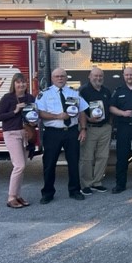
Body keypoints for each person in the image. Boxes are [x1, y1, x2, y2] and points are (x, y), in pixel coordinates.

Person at [36, 68, 89, 204]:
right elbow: (40, 113)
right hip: (53, 132)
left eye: (62, 76)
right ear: (52, 78)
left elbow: (82, 111)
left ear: (66, 78)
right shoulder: (44, 94)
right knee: (49, 164)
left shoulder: (74, 92)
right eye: (57, 76)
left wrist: (83, 129)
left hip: (71, 131)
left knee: (73, 162)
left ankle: (75, 190)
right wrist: (57, 116)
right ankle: (47, 193)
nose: (60, 78)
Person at [0, 73, 36, 208]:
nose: (21, 85)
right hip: (11, 133)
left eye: (23, 82)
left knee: (22, 166)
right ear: (14, 84)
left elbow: (34, 114)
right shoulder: (7, 98)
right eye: (18, 82)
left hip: (26, 134)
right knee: (19, 165)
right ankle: (11, 197)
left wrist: (34, 122)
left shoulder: (30, 98)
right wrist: (15, 110)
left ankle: (18, 196)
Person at [78, 67, 112, 195]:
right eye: (95, 76)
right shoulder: (83, 91)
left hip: (105, 128)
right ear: (90, 76)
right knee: (87, 158)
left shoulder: (106, 91)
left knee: (103, 157)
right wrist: (87, 121)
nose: (98, 78)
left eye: (100, 76)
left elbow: (110, 108)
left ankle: (97, 182)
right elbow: (79, 110)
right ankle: (86, 184)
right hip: (89, 128)